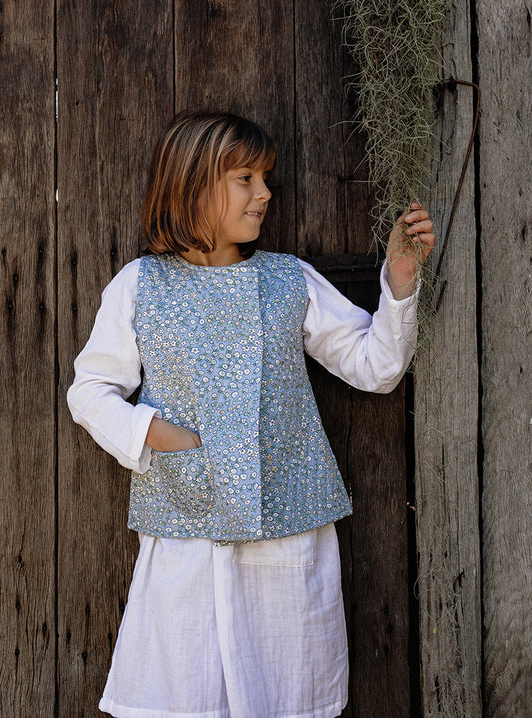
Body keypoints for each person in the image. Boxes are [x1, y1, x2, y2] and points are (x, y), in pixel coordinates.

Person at [67, 110, 434, 718]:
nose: (264, 193)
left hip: (289, 531)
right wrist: (158, 435)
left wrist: (398, 281)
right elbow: (90, 390)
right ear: (191, 184)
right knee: (186, 694)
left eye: (266, 179)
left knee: (288, 694)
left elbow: (375, 367)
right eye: (245, 178)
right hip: (189, 529)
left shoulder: (288, 280)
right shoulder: (141, 285)